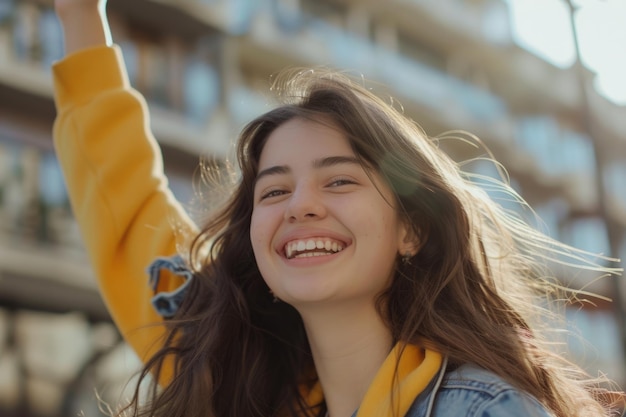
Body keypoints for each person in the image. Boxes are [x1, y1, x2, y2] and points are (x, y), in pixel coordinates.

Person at [52, 1, 621, 416]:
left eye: (340, 181)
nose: (300, 205)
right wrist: (80, 14)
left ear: (413, 230)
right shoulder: (229, 378)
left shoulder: (481, 410)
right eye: (273, 191)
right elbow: (126, 199)